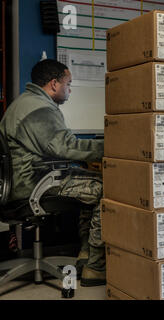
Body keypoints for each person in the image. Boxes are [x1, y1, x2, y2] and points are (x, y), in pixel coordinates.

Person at [0, 59, 105, 287]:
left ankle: (85, 257)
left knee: (90, 186)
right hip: (33, 186)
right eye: (68, 84)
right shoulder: (38, 108)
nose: (70, 90)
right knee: (106, 188)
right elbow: (66, 147)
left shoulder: (26, 103)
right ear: (54, 84)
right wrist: (113, 146)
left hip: (24, 182)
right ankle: (95, 268)